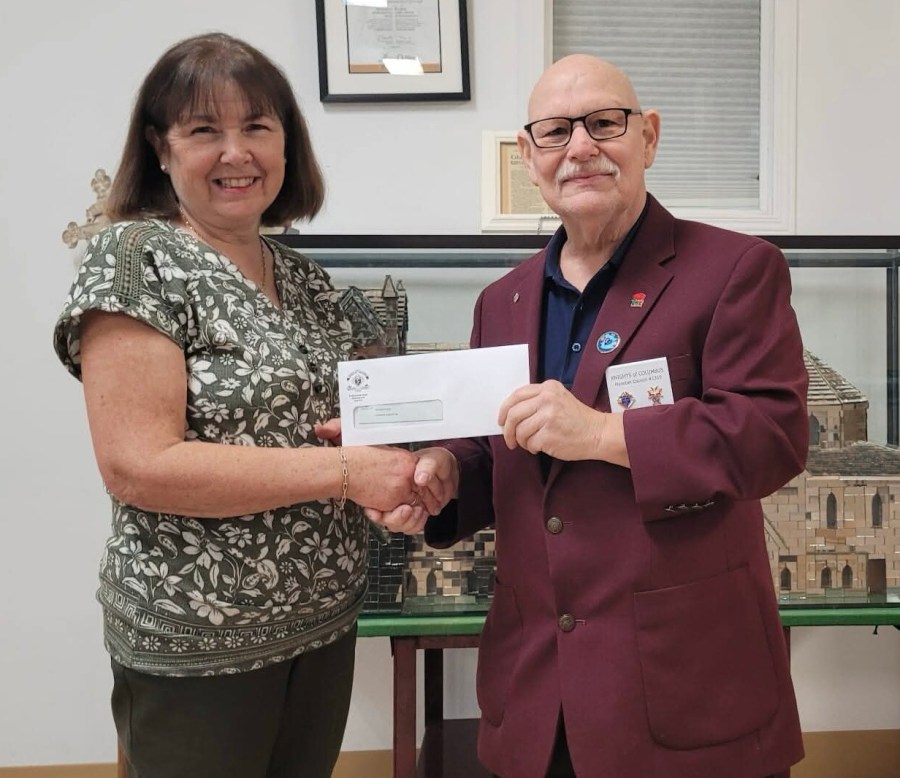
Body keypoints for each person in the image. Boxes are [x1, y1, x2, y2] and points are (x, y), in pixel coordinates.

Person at [371, 55, 809, 777]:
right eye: (555, 131)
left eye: (605, 123)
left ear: (648, 137)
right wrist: (441, 474)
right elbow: (492, 449)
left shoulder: (734, 269)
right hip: (537, 693)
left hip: (687, 689)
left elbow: (770, 435)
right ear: (529, 156)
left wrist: (605, 433)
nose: (580, 147)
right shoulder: (502, 301)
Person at [53, 32, 424, 778]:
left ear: (287, 144)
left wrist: (424, 463)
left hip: (322, 628)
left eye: (257, 126)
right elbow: (138, 465)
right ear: (160, 149)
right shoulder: (136, 260)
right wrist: (349, 473)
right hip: (198, 644)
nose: (236, 152)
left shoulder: (307, 280)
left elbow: (385, 410)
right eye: (203, 130)